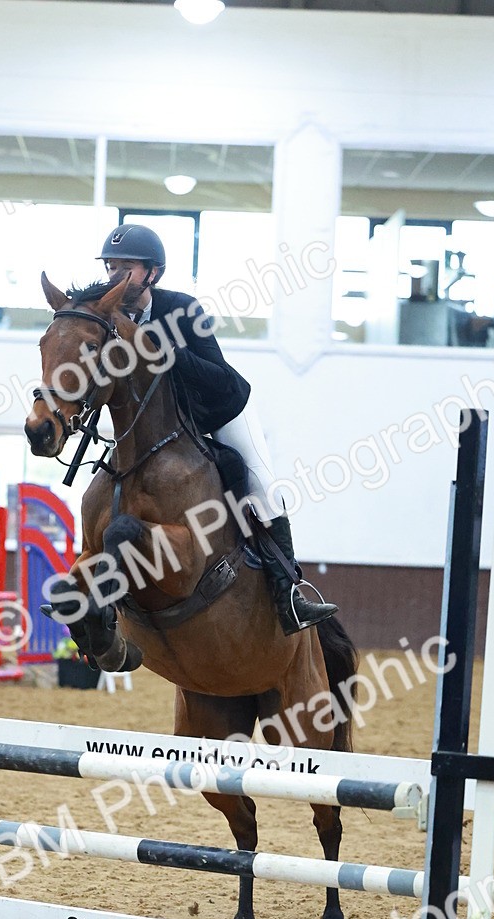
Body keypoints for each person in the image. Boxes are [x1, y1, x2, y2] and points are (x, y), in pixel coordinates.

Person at [96, 223, 337, 636]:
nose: (115, 277)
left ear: (153, 273)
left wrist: (164, 352)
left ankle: (289, 594)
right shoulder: (109, 317)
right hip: (167, 426)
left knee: (263, 487)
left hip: (222, 410)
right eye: (110, 267)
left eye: (126, 268)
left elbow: (220, 377)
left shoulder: (183, 310)